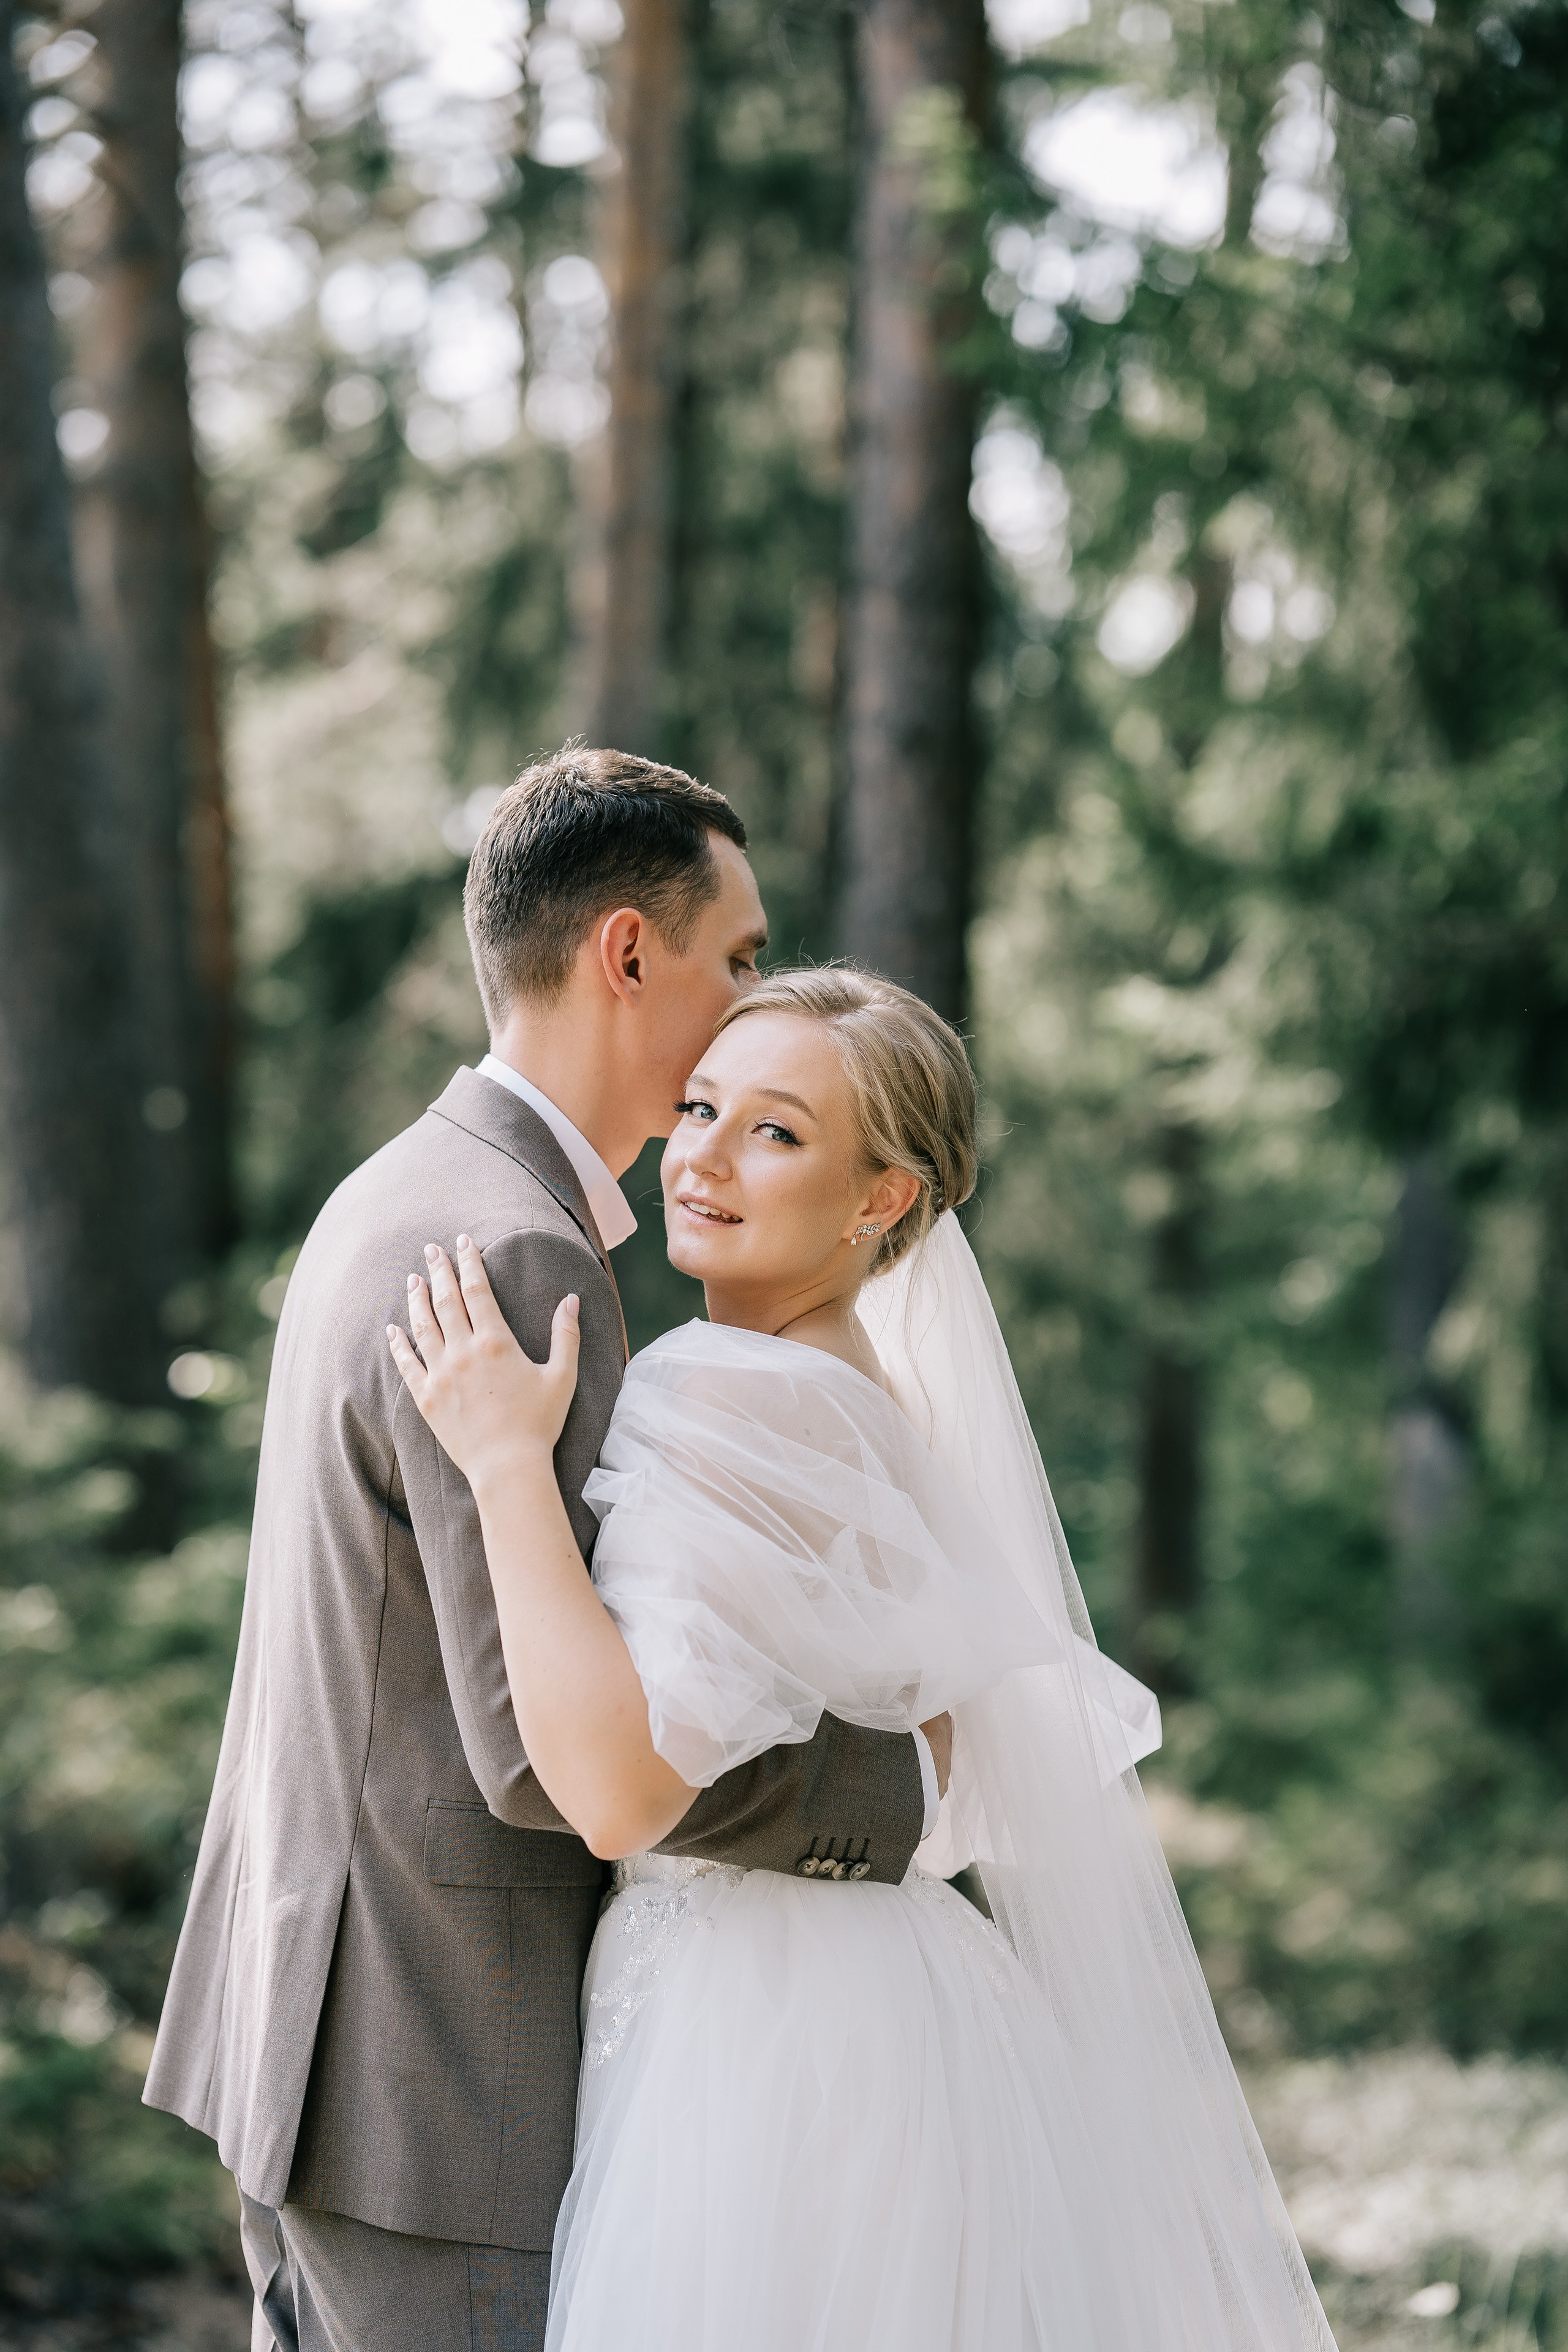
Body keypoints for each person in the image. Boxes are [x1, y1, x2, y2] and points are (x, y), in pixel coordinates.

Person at [390, 965, 1341, 2352]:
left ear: (881, 1198)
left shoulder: (730, 1393)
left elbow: (620, 1793)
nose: (704, 1156)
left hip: (765, 2043)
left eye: (775, 1132)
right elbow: (932, 1754)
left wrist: (501, 1465)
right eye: (701, 1107)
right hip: (894, 2003)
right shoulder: (864, 1402)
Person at [144, 752, 946, 2352]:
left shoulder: (405, 1186)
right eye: (737, 957)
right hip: (449, 2074)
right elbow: (546, 1749)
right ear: (628, 953)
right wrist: (898, 1795)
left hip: (332, 2032)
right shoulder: (517, 1251)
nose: (751, 1001)